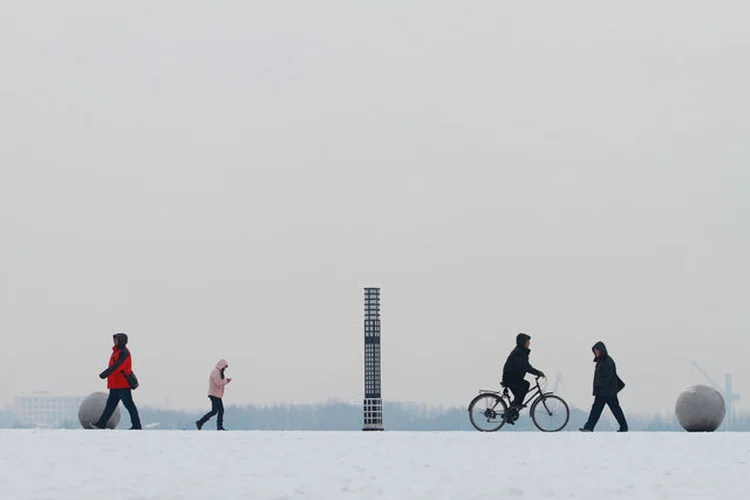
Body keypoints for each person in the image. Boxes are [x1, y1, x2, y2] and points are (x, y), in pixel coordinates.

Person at [91, 333, 142, 430]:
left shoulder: (124, 352)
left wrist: (105, 374)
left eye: (116, 340)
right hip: (115, 384)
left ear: (121, 341)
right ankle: (101, 423)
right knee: (110, 406)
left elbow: (117, 366)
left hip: (122, 384)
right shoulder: (116, 351)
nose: (114, 341)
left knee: (129, 405)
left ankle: (137, 425)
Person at [580, 341, 628, 432]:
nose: (596, 353)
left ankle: (624, 427)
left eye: (597, 351)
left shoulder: (607, 361)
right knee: (596, 410)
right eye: (595, 351)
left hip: (608, 391)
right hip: (603, 391)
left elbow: (608, 376)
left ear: (602, 350)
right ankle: (589, 427)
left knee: (615, 410)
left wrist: (599, 385)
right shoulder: (602, 361)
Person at [502, 333, 545, 423]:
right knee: (525, 385)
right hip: (510, 377)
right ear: (523, 342)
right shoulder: (519, 353)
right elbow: (525, 367)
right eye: (527, 341)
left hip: (512, 377)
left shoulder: (521, 352)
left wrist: (536, 372)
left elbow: (527, 366)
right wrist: (537, 372)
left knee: (520, 393)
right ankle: (513, 409)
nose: (529, 343)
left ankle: (511, 412)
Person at [196, 359, 232, 430]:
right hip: (214, 394)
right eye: (225, 367)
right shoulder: (216, 372)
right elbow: (218, 382)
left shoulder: (218, 371)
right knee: (217, 411)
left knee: (217, 411)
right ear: (222, 366)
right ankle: (202, 422)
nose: (225, 369)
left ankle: (201, 422)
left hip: (216, 394)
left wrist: (225, 381)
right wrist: (226, 381)